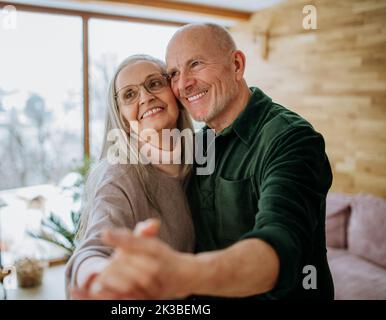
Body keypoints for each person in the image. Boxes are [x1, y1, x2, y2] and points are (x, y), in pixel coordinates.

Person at [84, 23, 334, 300]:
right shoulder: (195, 146)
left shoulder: (291, 139)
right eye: (175, 73)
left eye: (196, 64)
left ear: (237, 65)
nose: (183, 84)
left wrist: (185, 274)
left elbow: (280, 244)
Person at [65, 54, 195, 299]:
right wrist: (99, 276)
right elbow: (92, 250)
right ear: (122, 119)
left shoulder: (197, 159)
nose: (146, 97)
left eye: (154, 83)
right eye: (129, 94)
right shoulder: (119, 173)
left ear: (175, 94)